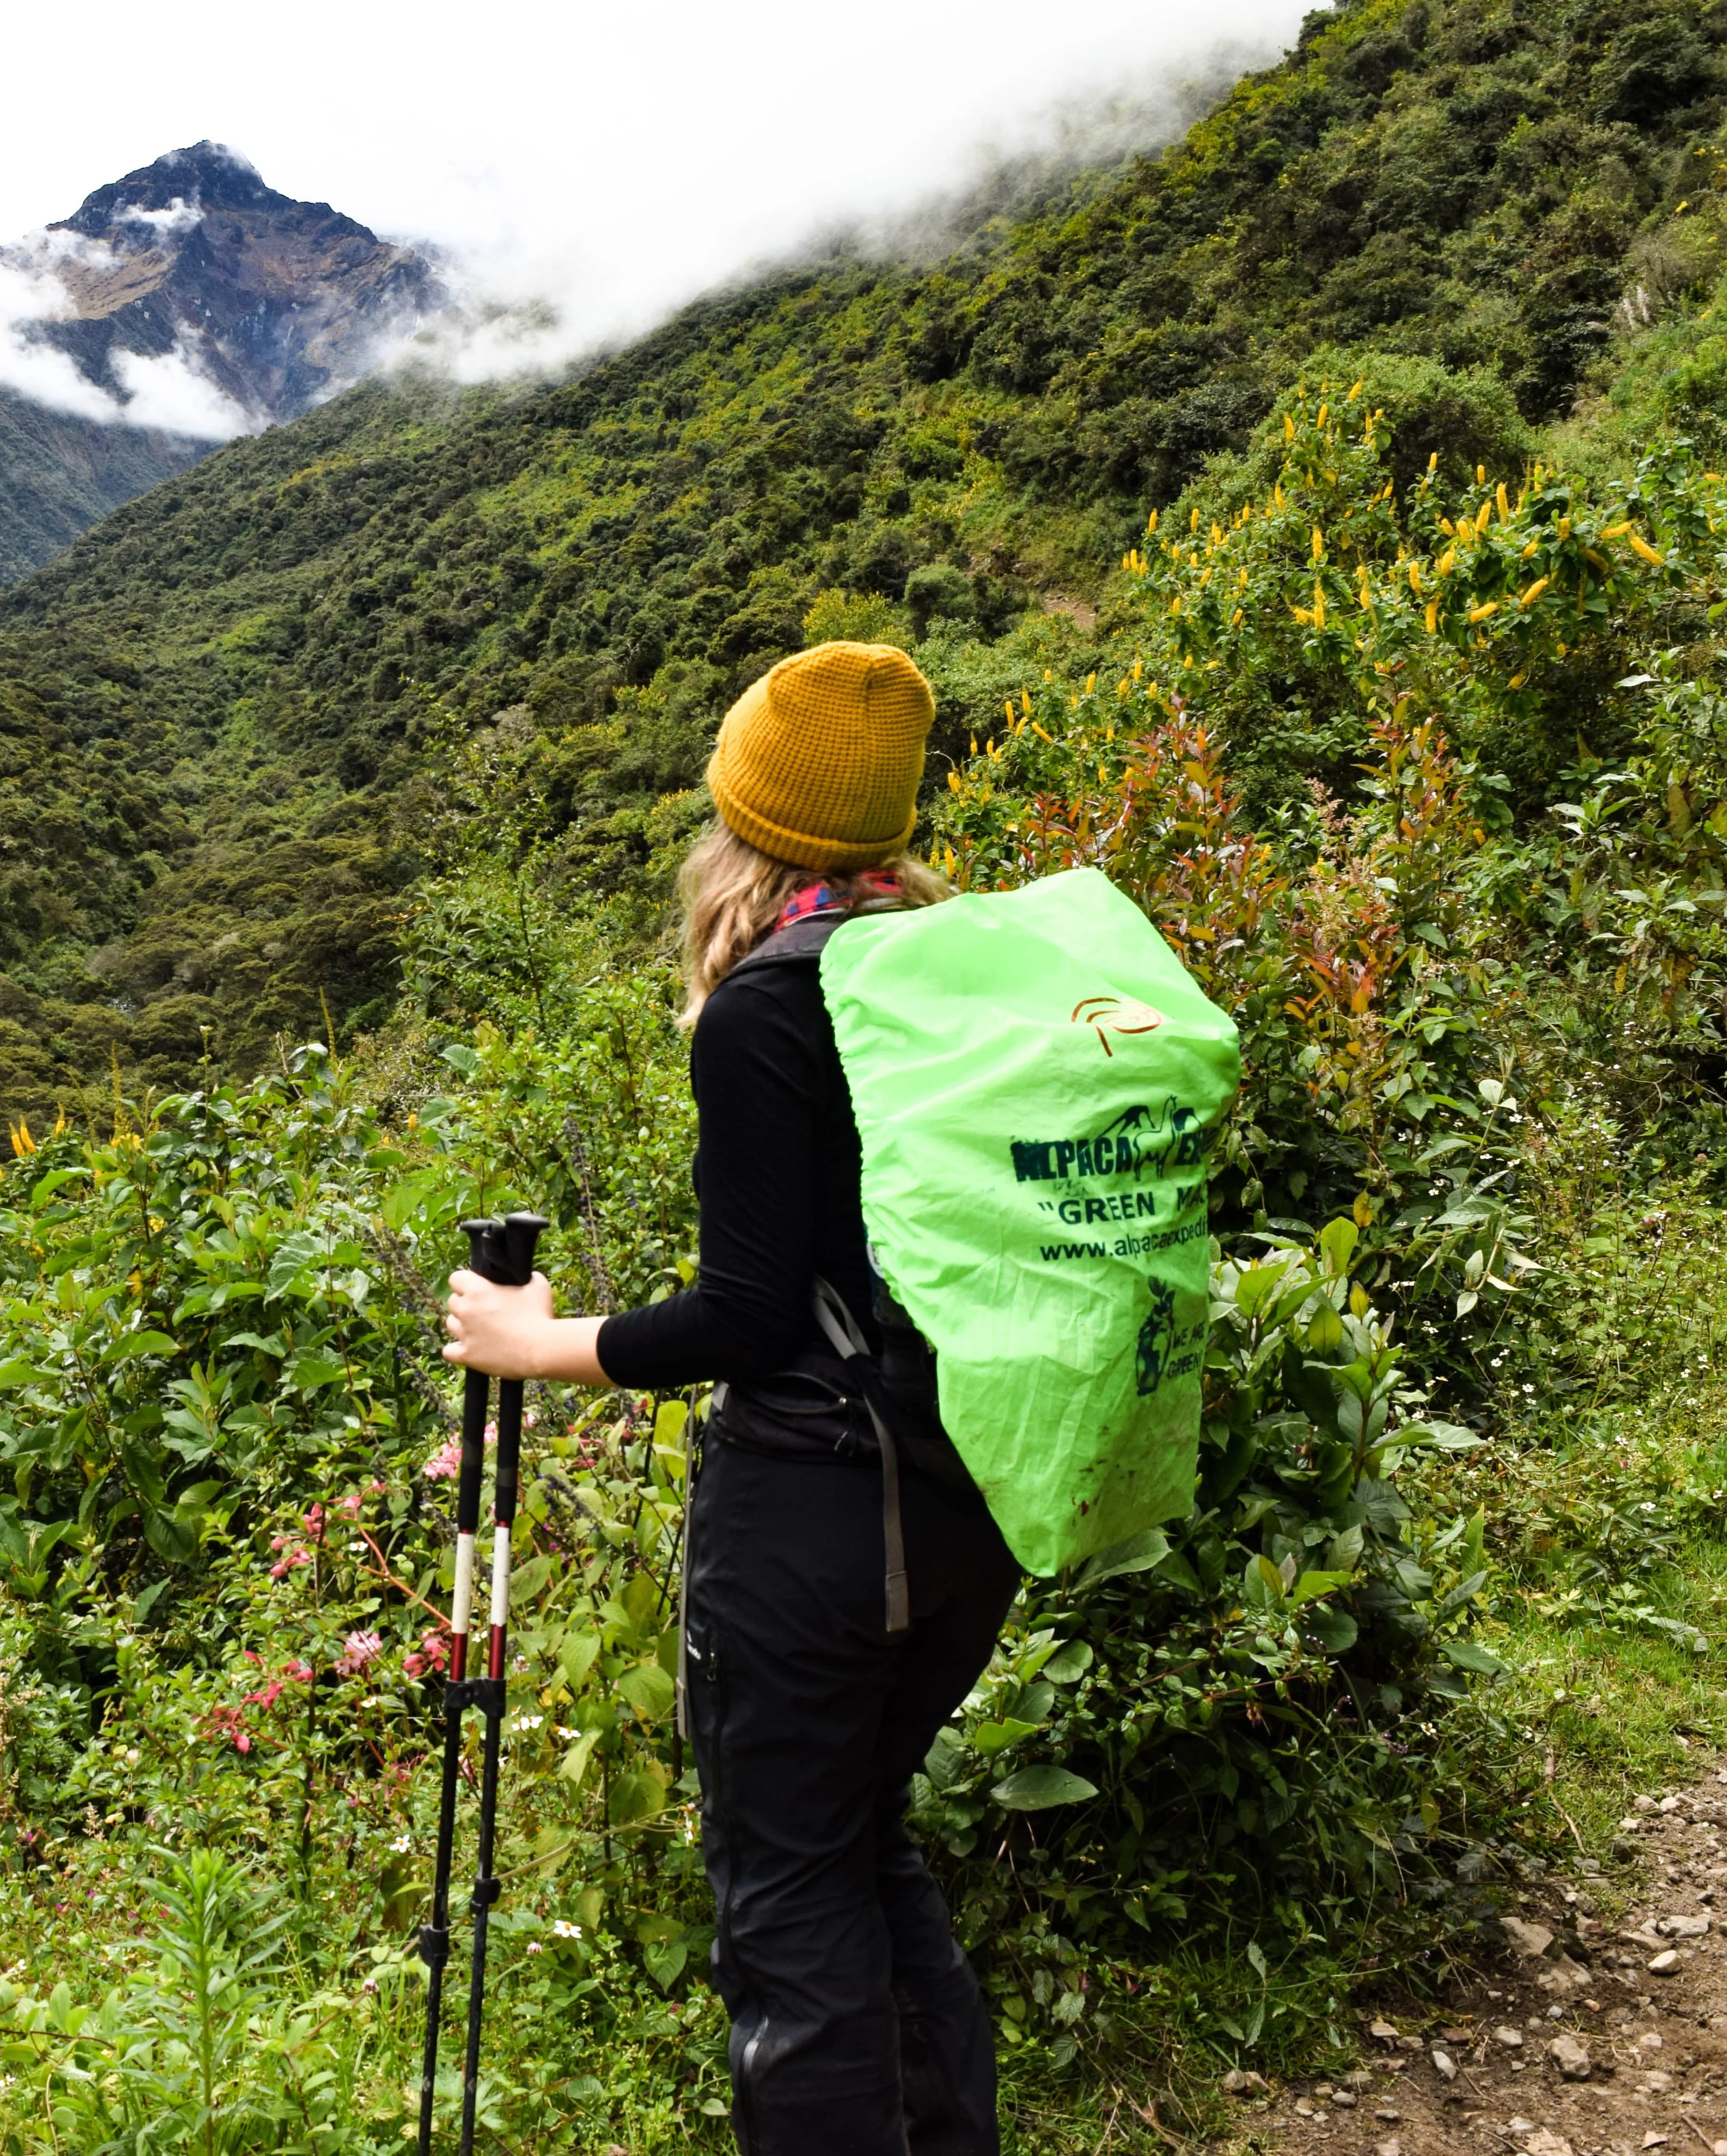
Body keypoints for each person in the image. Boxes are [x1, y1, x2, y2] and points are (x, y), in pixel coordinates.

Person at [441, 640, 1021, 2156]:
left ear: (746, 816)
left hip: (823, 1523)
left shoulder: (777, 1004)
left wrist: (535, 1343)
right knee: (861, 1850)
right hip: (975, 1504)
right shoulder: (958, 967)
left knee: (786, 1904)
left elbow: (747, 1317)